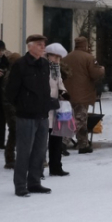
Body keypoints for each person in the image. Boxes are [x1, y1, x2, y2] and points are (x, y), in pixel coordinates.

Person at [9, 35, 54, 196]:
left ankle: (35, 181)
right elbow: (11, 91)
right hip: (26, 115)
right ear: (30, 46)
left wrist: (47, 104)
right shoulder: (20, 65)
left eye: (44, 45)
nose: (43, 48)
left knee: (40, 151)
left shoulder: (44, 64)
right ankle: (20, 184)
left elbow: (45, 88)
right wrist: (22, 106)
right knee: (24, 151)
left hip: (42, 114)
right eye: (39, 45)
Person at [60, 37, 104, 154]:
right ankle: (63, 142)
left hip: (68, 93)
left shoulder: (66, 57)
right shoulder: (88, 58)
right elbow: (95, 74)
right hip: (82, 93)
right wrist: (101, 70)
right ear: (85, 45)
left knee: (79, 118)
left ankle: (83, 144)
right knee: (79, 119)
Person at [44, 42, 71, 177]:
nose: (57, 60)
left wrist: (64, 92)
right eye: (55, 57)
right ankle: (37, 168)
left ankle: (56, 166)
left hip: (56, 108)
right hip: (44, 108)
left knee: (56, 138)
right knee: (41, 140)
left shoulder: (56, 68)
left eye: (59, 58)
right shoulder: (43, 67)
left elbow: (59, 82)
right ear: (49, 55)